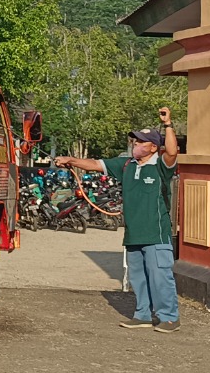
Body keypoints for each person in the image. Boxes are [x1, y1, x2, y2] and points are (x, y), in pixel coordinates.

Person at [57, 106, 181, 333]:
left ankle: (169, 317)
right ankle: (143, 314)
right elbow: (95, 164)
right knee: (139, 279)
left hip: (156, 233)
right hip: (133, 234)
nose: (135, 144)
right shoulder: (126, 165)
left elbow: (172, 152)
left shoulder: (161, 167)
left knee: (160, 277)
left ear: (153, 147)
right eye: (134, 141)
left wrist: (168, 124)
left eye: (140, 142)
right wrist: (71, 160)